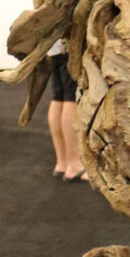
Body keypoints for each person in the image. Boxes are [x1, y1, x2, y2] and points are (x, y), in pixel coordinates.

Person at [46, 38, 87, 181]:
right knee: (71, 97)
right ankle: (74, 165)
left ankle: (62, 162)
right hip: (69, 45)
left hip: (54, 47)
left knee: (59, 96)